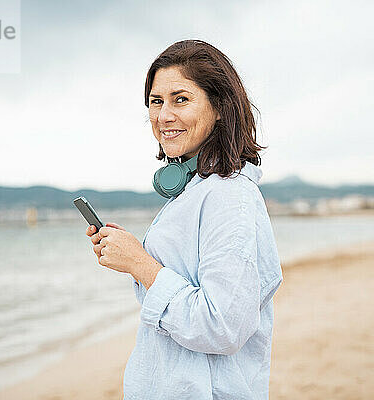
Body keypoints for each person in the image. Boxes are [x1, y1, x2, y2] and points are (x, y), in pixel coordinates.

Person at [85, 39, 283, 400]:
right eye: (156, 102)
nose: (163, 116)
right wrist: (129, 258)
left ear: (220, 107)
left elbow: (222, 326)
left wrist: (140, 263)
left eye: (181, 99)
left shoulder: (228, 195)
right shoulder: (196, 192)